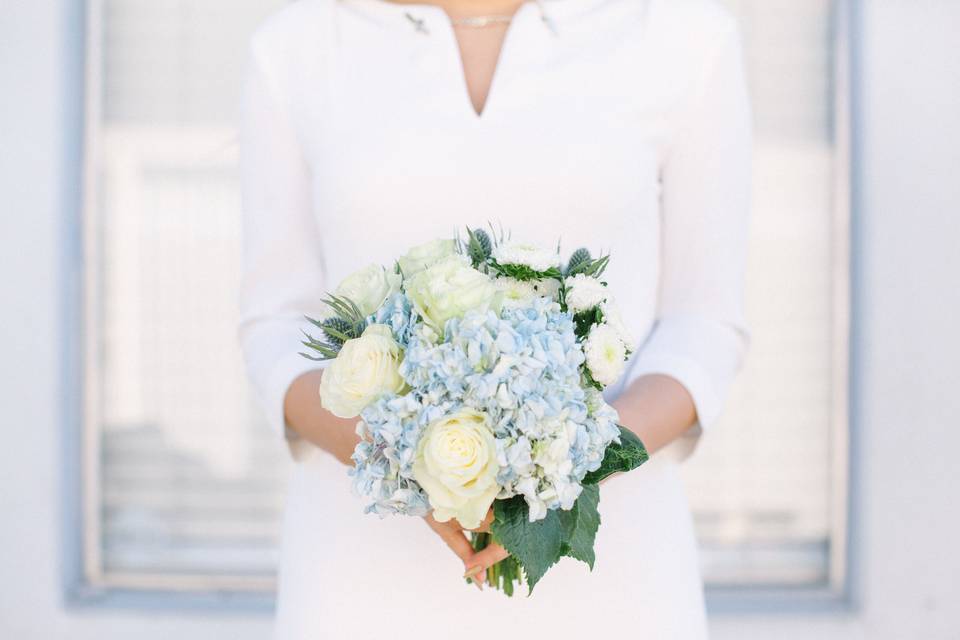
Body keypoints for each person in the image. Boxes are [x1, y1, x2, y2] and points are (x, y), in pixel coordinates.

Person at [236, 0, 752, 637]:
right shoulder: (300, 47)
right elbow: (276, 325)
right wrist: (413, 462)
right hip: (362, 583)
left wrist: (562, 468)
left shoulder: (683, 39)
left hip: (614, 585)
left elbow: (703, 322)